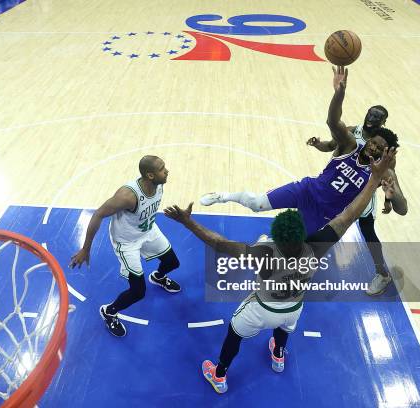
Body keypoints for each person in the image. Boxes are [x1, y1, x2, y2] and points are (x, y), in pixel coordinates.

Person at [165, 147, 397, 394]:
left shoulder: (263, 253)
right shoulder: (316, 247)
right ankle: (278, 354)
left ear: (277, 234)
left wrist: (188, 222)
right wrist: (373, 180)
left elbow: (218, 243)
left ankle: (219, 375)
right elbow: (349, 215)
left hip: (260, 310)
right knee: (285, 328)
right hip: (292, 310)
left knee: (234, 333)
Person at [199, 67, 403, 243]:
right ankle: (222, 196)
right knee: (257, 204)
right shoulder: (350, 144)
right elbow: (332, 121)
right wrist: (339, 93)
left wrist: (392, 197)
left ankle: (269, 242)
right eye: (373, 142)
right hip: (306, 190)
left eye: (379, 146)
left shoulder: (384, 172)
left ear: (386, 151)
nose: (373, 147)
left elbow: (402, 209)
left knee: (287, 243)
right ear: (368, 140)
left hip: (324, 213)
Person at [306, 68, 407, 295]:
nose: (371, 119)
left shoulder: (386, 148)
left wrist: (389, 200)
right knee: (319, 223)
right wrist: (317, 144)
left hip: (361, 198)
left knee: (369, 236)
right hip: (338, 188)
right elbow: (330, 146)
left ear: (384, 121)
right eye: (370, 114)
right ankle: (302, 256)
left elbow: (388, 177)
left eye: (377, 117)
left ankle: (382, 273)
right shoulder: (352, 131)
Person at [70, 155, 181, 337]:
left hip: (148, 231)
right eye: (162, 168)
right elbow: (98, 214)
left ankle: (158, 277)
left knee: (172, 263)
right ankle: (109, 312)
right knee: (138, 292)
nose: (167, 171)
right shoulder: (127, 196)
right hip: (127, 242)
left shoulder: (158, 184)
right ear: (150, 175)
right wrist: (86, 248)